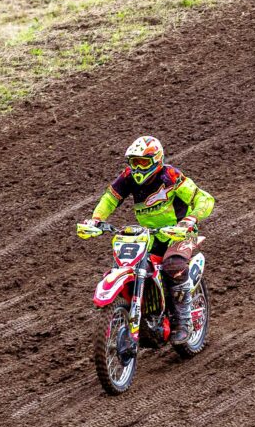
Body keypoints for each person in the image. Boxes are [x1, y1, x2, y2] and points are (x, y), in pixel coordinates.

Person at [78, 136, 215, 353]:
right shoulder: (128, 177)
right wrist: (95, 219)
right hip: (150, 235)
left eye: (142, 162)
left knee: (173, 266)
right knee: (128, 263)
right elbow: (110, 198)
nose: (137, 168)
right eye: (133, 162)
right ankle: (141, 313)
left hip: (180, 233)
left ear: (156, 160)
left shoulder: (170, 176)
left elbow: (204, 199)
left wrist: (190, 220)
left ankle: (183, 322)